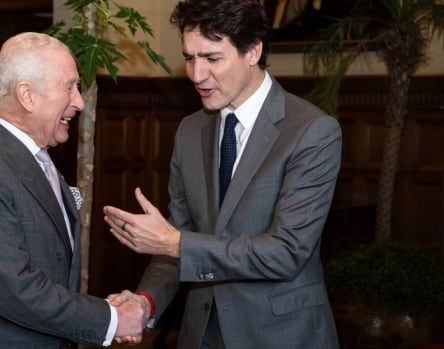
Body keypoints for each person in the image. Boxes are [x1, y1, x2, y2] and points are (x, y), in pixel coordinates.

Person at [103, 1, 341, 348]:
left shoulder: (312, 131)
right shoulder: (189, 131)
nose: (197, 75)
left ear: (253, 51)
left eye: (212, 59)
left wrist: (176, 242)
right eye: (189, 57)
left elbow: (286, 252)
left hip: (282, 336)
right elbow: (175, 240)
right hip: (201, 334)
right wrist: (145, 302)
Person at [0, 32, 147, 348]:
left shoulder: (36, 157)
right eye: (69, 87)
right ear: (27, 96)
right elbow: (13, 288)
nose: (79, 101)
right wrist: (110, 319)